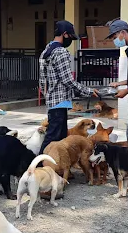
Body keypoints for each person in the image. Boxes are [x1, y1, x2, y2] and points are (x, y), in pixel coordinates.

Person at [39, 20, 98, 154]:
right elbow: (68, 80)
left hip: (52, 101)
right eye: (70, 37)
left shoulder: (46, 51)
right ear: (65, 34)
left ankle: (57, 167)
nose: (71, 40)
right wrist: (88, 91)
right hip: (60, 101)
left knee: (59, 139)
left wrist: (47, 95)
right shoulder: (61, 52)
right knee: (53, 138)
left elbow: (42, 81)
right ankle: (37, 167)